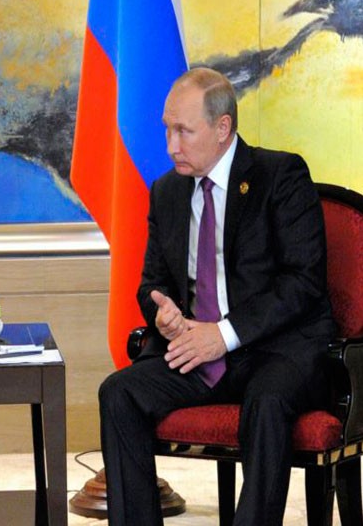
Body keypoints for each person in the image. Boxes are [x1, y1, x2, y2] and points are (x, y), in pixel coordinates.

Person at [98, 67, 334, 526]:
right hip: (196, 352)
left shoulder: (280, 176)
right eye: (167, 130)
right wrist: (162, 312)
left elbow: (303, 281)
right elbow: (152, 282)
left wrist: (223, 336)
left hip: (275, 350)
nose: (171, 146)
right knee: (119, 393)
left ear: (223, 128)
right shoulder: (167, 191)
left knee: (266, 403)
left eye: (183, 131)